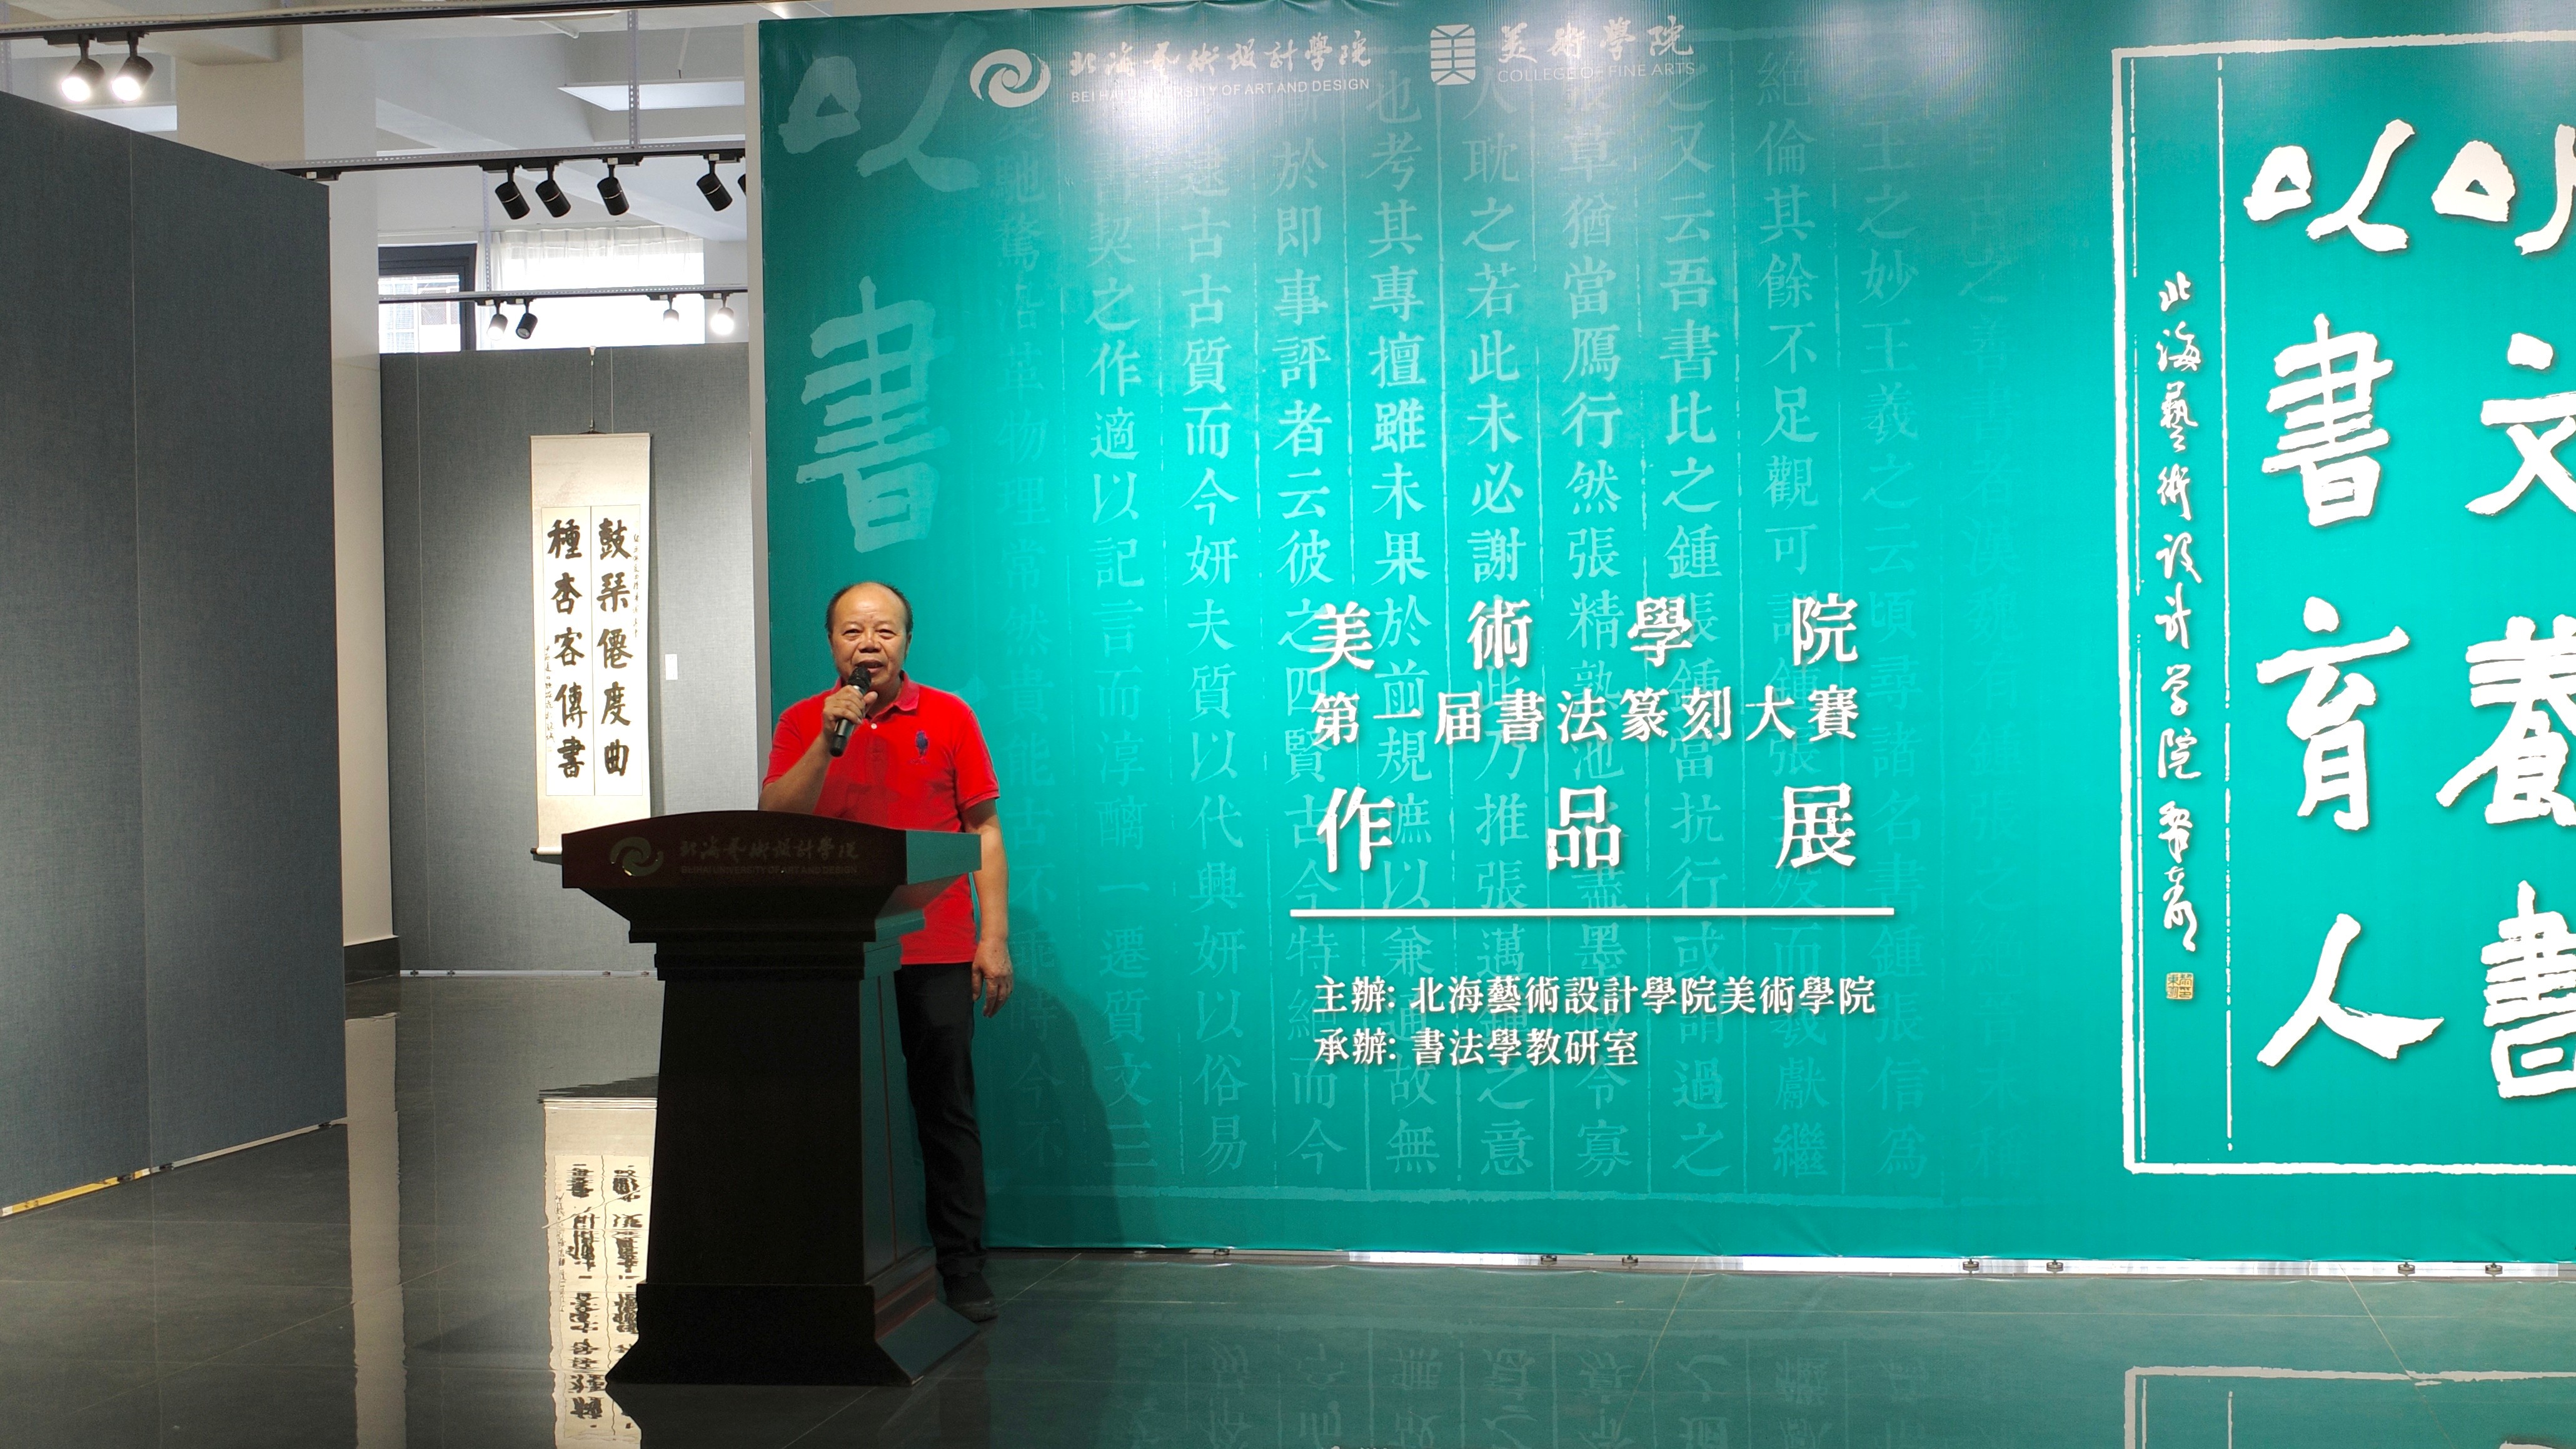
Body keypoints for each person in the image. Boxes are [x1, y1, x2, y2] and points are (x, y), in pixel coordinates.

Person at [758, 579, 1011, 1324]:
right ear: (830, 642)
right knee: (828, 1111)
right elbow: (774, 816)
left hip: (933, 944)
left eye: (884, 630)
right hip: (832, 950)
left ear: (906, 641)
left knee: (946, 1109)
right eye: (852, 631)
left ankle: (961, 1265)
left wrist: (993, 936)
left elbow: (984, 829)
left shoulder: (950, 715)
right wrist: (825, 739)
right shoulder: (805, 719)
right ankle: (826, 1266)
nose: (868, 643)